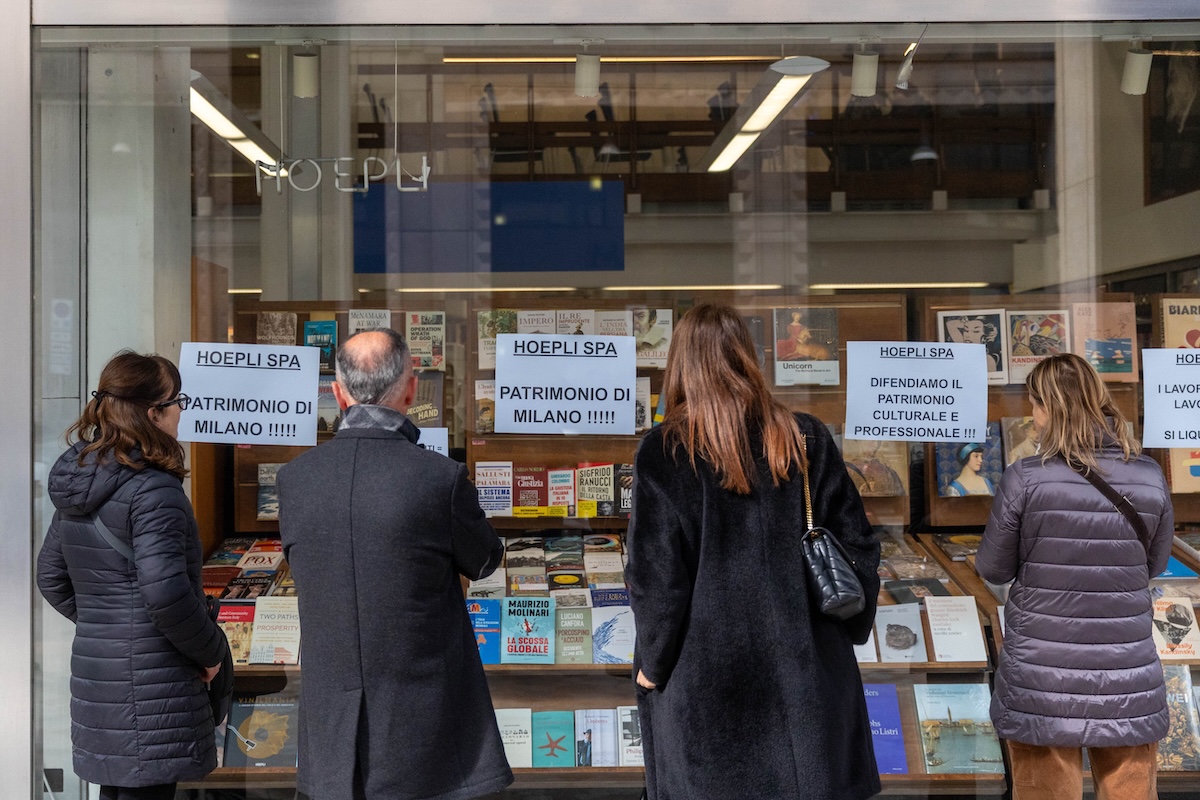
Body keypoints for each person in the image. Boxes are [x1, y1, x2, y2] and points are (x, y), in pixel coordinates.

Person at [625, 304, 882, 800]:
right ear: (748, 356)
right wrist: (848, 624)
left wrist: (651, 667)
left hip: (707, 692)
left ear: (680, 363)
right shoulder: (805, 437)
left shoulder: (664, 451)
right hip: (806, 677)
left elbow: (659, 582)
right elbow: (859, 549)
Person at [277, 328, 512, 800]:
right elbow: (485, 559)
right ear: (410, 388)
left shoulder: (293, 480)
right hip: (423, 718)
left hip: (331, 723)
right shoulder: (439, 479)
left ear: (338, 393)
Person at [975, 353, 1174, 800]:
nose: (1032, 415)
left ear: (1051, 406)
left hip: (1042, 680)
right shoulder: (1149, 475)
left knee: (1045, 792)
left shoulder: (1024, 478)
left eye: (1035, 404)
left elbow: (993, 568)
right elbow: (1155, 564)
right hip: (1127, 674)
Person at [37, 351, 228, 800]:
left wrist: (107, 621)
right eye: (178, 400)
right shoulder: (154, 488)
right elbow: (166, 594)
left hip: (99, 672)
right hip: (153, 682)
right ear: (154, 412)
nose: (182, 410)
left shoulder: (82, 479)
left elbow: (51, 576)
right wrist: (212, 649)